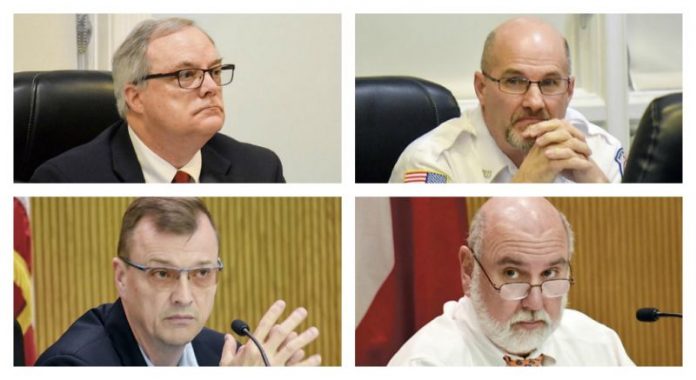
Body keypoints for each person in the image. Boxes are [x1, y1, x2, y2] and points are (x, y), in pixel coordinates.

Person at [36, 198, 320, 366]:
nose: (184, 296)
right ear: (121, 277)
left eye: (201, 273)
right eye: (162, 274)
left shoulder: (222, 354)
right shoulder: (75, 364)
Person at [30, 18, 284, 183]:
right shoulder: (65, 180)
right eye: (186, 75)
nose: (210, 87)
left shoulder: (260, 170)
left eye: (215, 71)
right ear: (136, 97)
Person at [388, 197, 634, 366]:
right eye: (512, 274)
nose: (535, 303)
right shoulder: (425, 364)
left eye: (549, 274)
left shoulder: (599, 344)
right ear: (468, 269)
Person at [390, 17, 624, 183]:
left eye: (550, 83)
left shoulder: (602, 151)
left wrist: (597, 187)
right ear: (481, 88)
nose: (535, 102)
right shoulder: (431, 164)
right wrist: (526, 185)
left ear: (569, 90)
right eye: (515, 81)